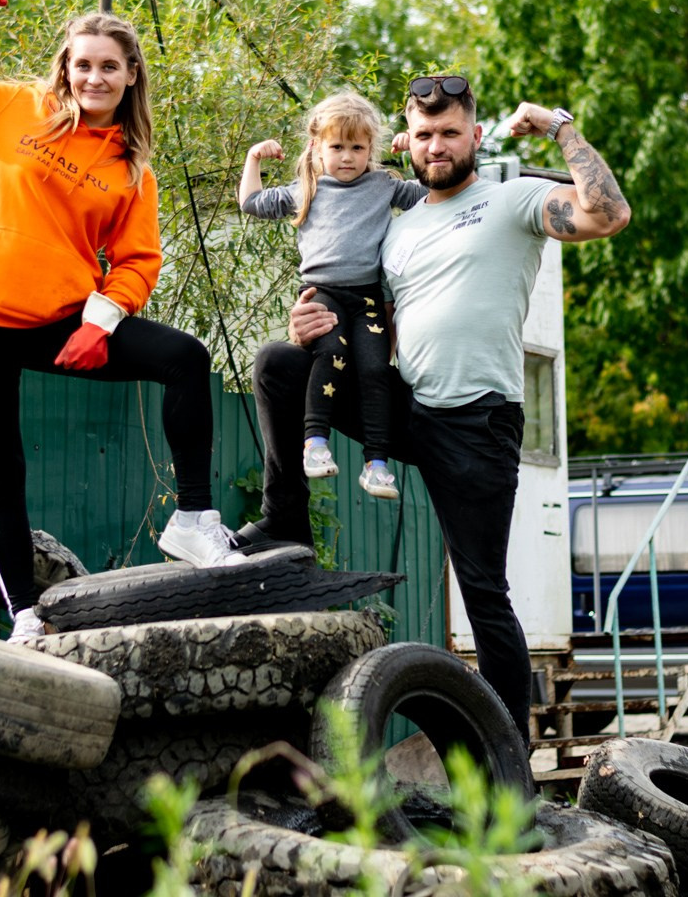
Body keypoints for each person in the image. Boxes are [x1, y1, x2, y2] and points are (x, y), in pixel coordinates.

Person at [226, 75, 631, 745]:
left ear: (474, 136)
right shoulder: (398, 229)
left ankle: (505, 769)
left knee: (483, 592)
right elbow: (372, 324)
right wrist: (314, 324)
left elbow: (608, 214)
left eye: (449, 133)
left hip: (477, 422)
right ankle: (285, 522)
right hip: (406, 407)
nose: (436, 146)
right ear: (406, 145)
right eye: (424, 135)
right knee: (278, 362)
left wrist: (562, 127)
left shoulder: (513, 200)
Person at [0, 0, 236, 641]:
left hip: (61, 321)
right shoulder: (11, 108)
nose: (93, 78)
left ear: (132, 75)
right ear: (66, 68)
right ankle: (25, 615)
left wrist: (99, 321)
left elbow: (139, 262)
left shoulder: (130, 168)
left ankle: (194, 520)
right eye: (82, 64)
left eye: (108, 67)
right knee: (3, 473)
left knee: (184, 357)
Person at [237, 93, 428, 500]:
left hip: (367, 297)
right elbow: (252, 203)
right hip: (322, 293)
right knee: (332, 356)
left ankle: (377, 464)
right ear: (317, 147)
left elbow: (429, 197)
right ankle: (315, 442)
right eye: (337, 147)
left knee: (375, 369)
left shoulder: (383, 185)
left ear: (370, 150)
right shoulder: (306, 190)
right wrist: (254, 158)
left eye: (357, 148)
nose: (347, 157)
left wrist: (414, 152)